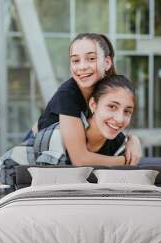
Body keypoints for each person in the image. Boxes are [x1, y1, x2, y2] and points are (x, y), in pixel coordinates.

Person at [30, 33, 141, 166]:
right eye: (75, 60)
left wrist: (132, 139)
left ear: (107, 62)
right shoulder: (67, 94)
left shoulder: (108, 88)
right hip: (40, 149)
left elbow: (115, 119)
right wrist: (125, 161)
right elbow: (80, 159)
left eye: (91, 58)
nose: (82, 66)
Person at [27, 75, 136, 166]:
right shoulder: (58, 136)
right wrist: (123, 161)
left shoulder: (121, 145)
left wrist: (133, 140)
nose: (119, 119)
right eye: (112, 107)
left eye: (127, 111)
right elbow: (49, 189)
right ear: (93, 105)